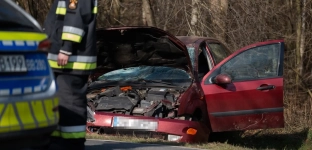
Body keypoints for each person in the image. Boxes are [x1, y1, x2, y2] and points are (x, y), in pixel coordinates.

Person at [43, 0, 98, 149]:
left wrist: (66, 48)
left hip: (72, 61)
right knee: (59, 104)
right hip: (63, 61)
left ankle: (72, 143)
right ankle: (57, 141)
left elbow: (76, 17)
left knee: (71, 104)